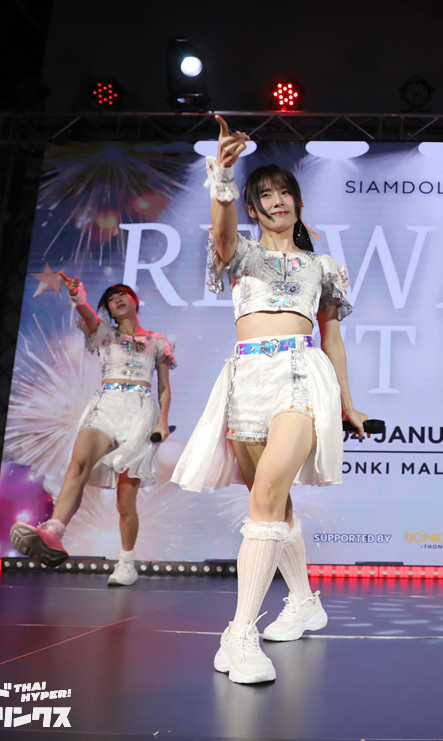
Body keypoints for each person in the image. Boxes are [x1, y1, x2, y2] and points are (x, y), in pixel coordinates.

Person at [172, 115, 366, 685]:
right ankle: (302, 600)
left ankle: (239, 636)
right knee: (273, 503)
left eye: (284, 192)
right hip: (246, 379)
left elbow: (332, 337)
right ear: (253, 210)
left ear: (298, 203)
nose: (277, 201)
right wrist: (223, 176)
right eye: (265, 196)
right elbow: (222, 235)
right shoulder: (242, 255)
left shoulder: (322, 267)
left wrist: (348, 401)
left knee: (266, 496)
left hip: (301, 374)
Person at [11, 277, 175, 586]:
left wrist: (162, 422)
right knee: (78, 465)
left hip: (140, 413)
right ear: (109, 310)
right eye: (111, 298)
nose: (117, 299)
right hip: (105, 406)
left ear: (135, 300)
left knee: (125, 501)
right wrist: (79, 298)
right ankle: (54, 532)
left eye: (123, 294)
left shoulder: (157, 341)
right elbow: (87, 315)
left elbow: (164, 388)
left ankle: (126, 563)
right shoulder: (105, 335)